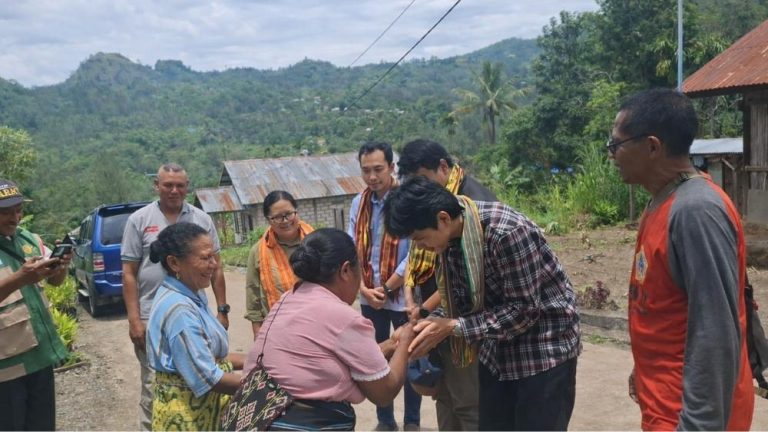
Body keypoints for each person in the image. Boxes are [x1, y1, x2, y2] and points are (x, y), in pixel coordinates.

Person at [384, 176, 581, 431]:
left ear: (443, 218)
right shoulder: (450, 242)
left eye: (420, 238)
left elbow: (523, 311)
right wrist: (424, 327)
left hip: (543, 352)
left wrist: (452, 326)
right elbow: (460, 303)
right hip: (497, 353)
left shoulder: (506, 232)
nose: (420, 247)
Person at [609, 88, 754, 430]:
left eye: (616, 145)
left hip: (688, 417)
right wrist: (644, 369)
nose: (612, 155)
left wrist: (698, 424)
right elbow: (667, 307)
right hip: (666, 406)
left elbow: (715, 330)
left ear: (652, 147)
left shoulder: (696, 210)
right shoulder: (662, 201)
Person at [242, 228, 414, 430]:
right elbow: (383, 393)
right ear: (346, 270)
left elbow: (337, 358)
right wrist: (405, 341)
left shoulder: (289, 298)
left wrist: (392, 344)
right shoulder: (343, 317)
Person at [396, 138, 497, 430]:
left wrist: (427, 312)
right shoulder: (432, 207)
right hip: (442, 319)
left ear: (443, 167)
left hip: (466, 323)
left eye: (424, 181)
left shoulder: (475, 208)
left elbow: (469, 279)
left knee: (468, 403)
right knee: (445, 397)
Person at [121, 163, 229, 431]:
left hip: (191, 301)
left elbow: (218, 265)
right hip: (152, 311)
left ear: (187, 187)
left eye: (180, 185)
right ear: (156, 186)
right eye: (168, 185)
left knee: (197, 363)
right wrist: (134, 320)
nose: (174, 190)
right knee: (155, 385)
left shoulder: (201, 219)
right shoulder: (140, 220)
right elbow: (129, 273)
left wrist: (222, 309)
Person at [348, 141, 421, 431]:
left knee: (409, 356)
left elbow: (417, 250)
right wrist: (363, 288)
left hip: (403, 296)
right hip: (370, 297)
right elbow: (352, 248)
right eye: (366, 171)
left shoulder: (406, 200)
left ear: (392, 167)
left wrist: (389, 287)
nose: (372, 177)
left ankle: (412, 422)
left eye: (378, 169)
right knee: (376, 359)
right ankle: (385, 421)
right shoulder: (359, 202)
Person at [145, 222, 243, 431]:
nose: (214, 264)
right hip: (187, 418)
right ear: (174, 263)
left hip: (201, 412)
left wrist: (258, 361)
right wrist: (264, 387)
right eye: (206, 258)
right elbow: (207, 376)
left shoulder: (192, 295)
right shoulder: (179, 310)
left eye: (214, 256)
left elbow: (210, 355)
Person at [0, 179, 72, 431]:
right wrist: (19, 278)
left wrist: (60, 266)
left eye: (18, 209)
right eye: (6, 212)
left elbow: (54, 281)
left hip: (40, 358)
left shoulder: (28, 238)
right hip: (5, 370)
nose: (15, 217)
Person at [245, 190, 313, 338]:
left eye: (289, 214)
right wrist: (259, 335)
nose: (285, 220)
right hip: (280, 330)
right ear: (268, 220)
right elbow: (253, 298)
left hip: (319, 323)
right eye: (277, 217)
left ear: (296, 211)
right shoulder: (257, 252)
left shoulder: (317, 241)